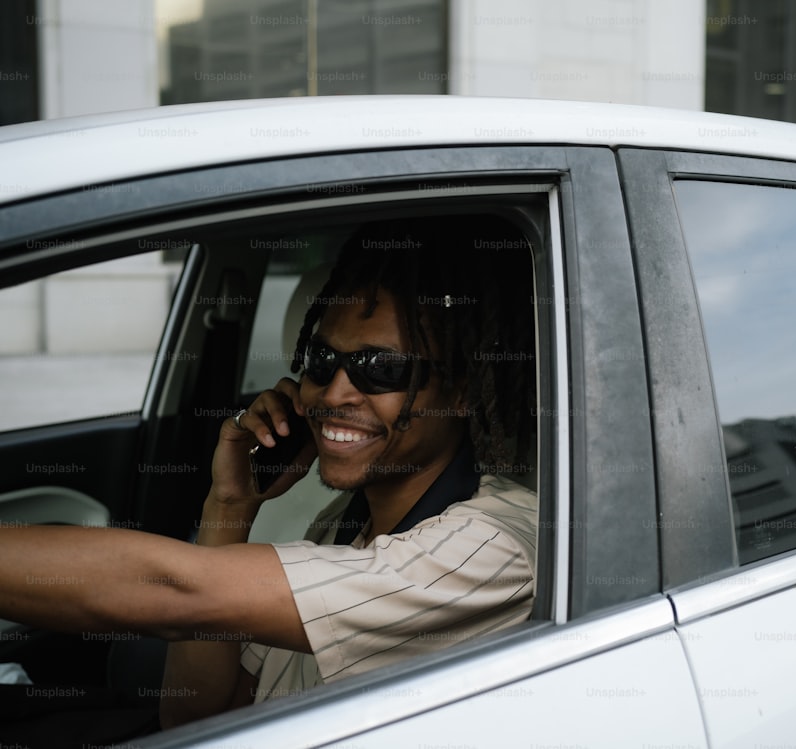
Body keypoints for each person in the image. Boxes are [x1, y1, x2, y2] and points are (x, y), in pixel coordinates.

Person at [0, 215, 538, 736]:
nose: (333, 394)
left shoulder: (487, 549)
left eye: (383, 369)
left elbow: (180, 591)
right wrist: (228, 507)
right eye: (323, 361)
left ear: (464, 389)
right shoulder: (345, 526)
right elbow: (199, 718)